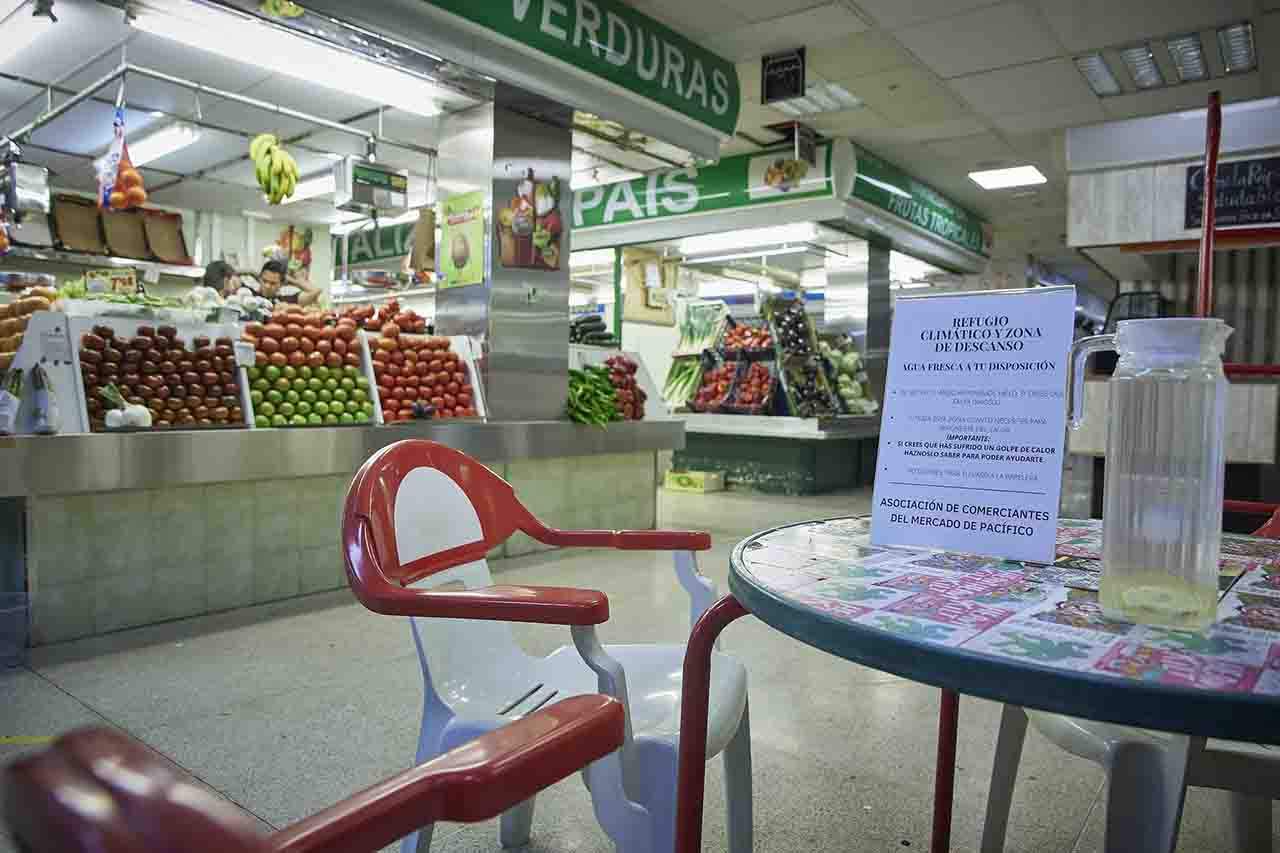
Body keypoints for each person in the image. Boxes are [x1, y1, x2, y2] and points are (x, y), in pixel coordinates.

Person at [251, 259, 320, 306]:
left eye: (273, 283)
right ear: (259, 279)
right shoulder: (249, 294)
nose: (267, 286)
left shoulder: (287, 300)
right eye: (264, 281)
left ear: (281, 284)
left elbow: (316, 291)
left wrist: (293, 282)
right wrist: (250, 272)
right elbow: (239, 280)